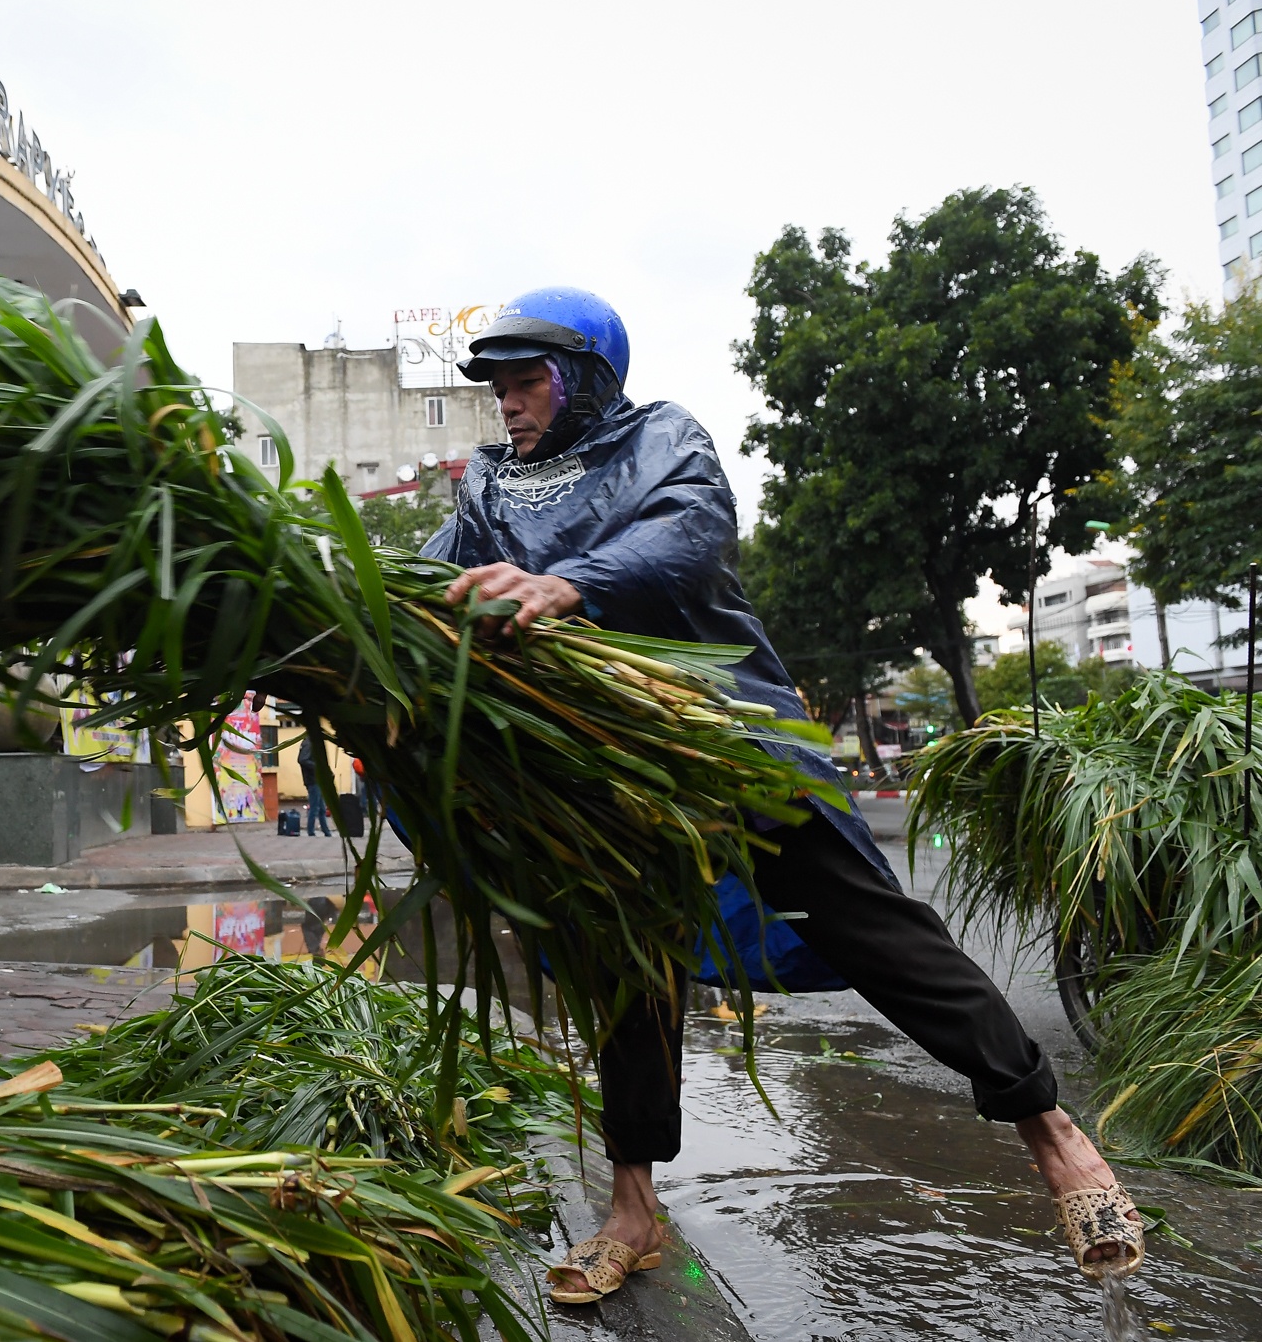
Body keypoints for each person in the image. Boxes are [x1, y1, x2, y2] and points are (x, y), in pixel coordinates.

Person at [424, 287, 1143, 1303]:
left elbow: (685, 534)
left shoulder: (660, 438)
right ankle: (630, 1208)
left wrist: (565, 582)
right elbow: (435, 580)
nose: (507, 401)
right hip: (601, 761)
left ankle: (1051, 1131)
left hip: (726, 729)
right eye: (495, 386)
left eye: (526, 378)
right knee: (626, 967)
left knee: (864, 919)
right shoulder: (487, 483)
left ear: (586, 373)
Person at [297, 730, 332, 837]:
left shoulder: (311, 742)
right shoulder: (309, 743)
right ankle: (311, 831)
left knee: (321, 808)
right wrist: (318, 767)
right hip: (313, 780)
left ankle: (326, 831)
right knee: (315, 807)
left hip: (317, 779)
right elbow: (302, 760)